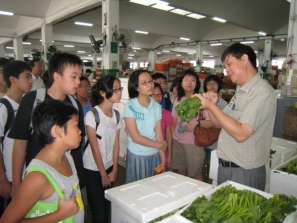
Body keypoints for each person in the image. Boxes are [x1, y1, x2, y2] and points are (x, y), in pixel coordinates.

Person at [8, 52, 86, 207]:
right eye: (73, 76)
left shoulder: (74, 104)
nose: (78, 81)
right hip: (42, 181)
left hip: (71, 177)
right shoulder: (33, 100)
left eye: (80, 76)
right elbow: (20, 144)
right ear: (57, 76)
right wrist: (17, 184)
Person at [195, 43, 277, 190]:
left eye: (229, 64)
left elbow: (241, 134)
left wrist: (210, 106)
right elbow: (219, 124)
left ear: (244, 59)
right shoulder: (241, 92)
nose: (226, 71)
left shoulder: (262, 92)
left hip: (244, 171)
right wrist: (212, 106)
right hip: (227, 167)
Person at [0, 100, 84, 222]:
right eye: (76, 125)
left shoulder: (67, 157)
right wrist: (60, 214)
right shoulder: (38, 177)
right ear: (58, 131)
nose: (80, 131)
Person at [83, 75, 123, 223]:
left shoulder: (117, 115)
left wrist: (114, 171)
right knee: (98, 212)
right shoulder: (92, 115)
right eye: (115, 89)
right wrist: (103, 174)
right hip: (93, 169)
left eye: (120, 89)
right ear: (102, 92)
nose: (119, 92)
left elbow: (116, 144)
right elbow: (94, 149)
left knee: (107, 208)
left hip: (109, 167)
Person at [0, 61, 32, 216]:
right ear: (12, 79)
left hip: (25, 174)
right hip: (10, 178)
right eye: (27, 76)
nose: (31, 81)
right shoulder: (4, 108)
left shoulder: (25, 105)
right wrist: (3, 180)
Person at [123, 70, 167, 183]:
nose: (149, 85)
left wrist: (163, 160)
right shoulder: (130, 106)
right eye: (144, 83)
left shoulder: (156, 107)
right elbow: (135, 137)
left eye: (150, 81)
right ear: (136, 87)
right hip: (137, 155)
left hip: (154, 155)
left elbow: (159, 134)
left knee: (153, 188)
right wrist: (160, 145)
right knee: (137, 189)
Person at [171, 69, 209, 181]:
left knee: (195, 174)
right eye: (186, 80)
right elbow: (174, 122)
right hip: (178, 142)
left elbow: (211, 123)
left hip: (194, 144)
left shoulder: (201, 101)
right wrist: (172, 140)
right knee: (180, 171)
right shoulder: (178, 100)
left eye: (193, 80)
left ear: (197, 84)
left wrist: (196, 122)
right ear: (181, 83)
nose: (189, 83)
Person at [202, 75, 228, 183]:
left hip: (215, 142)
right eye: (209, 83)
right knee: (204, 166)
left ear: (219, 86)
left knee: (212, 168)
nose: (211, 86)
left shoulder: (223, 104)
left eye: (214, 83)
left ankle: (209, 186)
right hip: (202, 140)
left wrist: (200, 123)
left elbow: (219, 124)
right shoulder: (201, 101)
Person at [151, 83, 173, 170]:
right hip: (147, 151)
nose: (157, 98)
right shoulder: (142, 113)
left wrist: (170, 155)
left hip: (162, 150)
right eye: (154, 95)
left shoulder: (166, 114)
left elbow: (168, 136)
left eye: (159, 95)